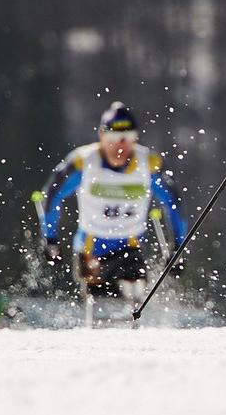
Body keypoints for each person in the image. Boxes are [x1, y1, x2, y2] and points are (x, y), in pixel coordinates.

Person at [40, 101, 187, 303]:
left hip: (130, 244)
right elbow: (52, 195)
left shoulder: (149, 163)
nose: (120, 145)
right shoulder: (84, 162)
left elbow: (173, 203)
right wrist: (50, 239)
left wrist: (179, 247)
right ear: (101, 136)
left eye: (127, 138)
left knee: (132, 288)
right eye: (113, 137)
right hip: (91, 245)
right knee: (99, 296)